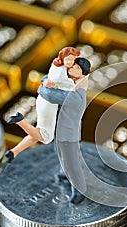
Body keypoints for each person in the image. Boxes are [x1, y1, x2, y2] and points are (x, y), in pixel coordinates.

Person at [4, 47, 80, 162]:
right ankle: (20, 121)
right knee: (46, 138)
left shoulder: (57, 68)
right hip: (48, 104)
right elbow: (62, 96)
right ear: (63, 58)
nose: (71, 62)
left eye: (73, 60)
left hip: (45, 102)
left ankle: (14, 151)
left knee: (36, 136)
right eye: (69, 59)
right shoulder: (64, 76)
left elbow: (45, 79)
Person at [38, 57, 91, 204]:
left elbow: (48, 94)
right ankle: (63, 173)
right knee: (62, 155)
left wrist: (45, 85)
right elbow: (46, 78)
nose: (70, 68)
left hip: (69, 134)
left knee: (71, 162)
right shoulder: (70, 85)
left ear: (81, 73)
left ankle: (79, 190)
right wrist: (47, 81)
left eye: (74, 67)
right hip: (60, 130)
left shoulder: (76, 95)